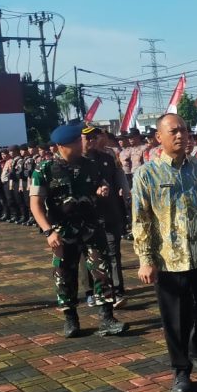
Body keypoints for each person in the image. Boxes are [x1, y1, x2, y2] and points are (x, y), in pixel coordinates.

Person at [132, 114, 197, 392]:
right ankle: (181, 371)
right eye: (173, 131)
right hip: (169, 260)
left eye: (184, 130)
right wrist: (145, 259)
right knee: (176, 319)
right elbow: (141, 219)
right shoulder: (147, 174)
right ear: (158, 137)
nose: (181, 135)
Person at [29, 123, 126, 340]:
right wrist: (48, 232)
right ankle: (71, 319)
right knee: (64, 273)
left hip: (92, 227)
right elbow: (35, 204)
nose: (84, 144)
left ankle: (106, 317)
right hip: (62, 231)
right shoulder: (43, 169)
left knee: (102, 270)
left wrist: (102, 188)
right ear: (63, 146)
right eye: (78, 141)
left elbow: (99, 182)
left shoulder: (90, 164)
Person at [81, 126, 130, 307]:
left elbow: (118, 177)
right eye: (88, 138)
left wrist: (126, 193)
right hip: (88, 216)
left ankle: (117, 290)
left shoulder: (108, 158)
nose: (92, 140)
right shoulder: (76, 162)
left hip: (109, 212)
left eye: (95, 137)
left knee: (113, 253)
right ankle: (92, 290)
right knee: (89, 255)